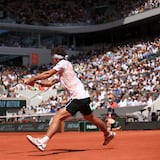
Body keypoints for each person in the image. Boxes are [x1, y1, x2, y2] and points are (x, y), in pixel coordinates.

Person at [24, 47, 116, 151]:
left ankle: (43, 142)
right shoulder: (63, 69)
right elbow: (49, 83)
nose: (51, 60)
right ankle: (108, 133)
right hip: (83, 97)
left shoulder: (63, 63)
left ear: (56, 58)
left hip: (77, 98)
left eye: (52, 57)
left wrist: (32, 78)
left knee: (58, 116)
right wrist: (34, 82)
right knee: (90, 118)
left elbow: (47, 74)